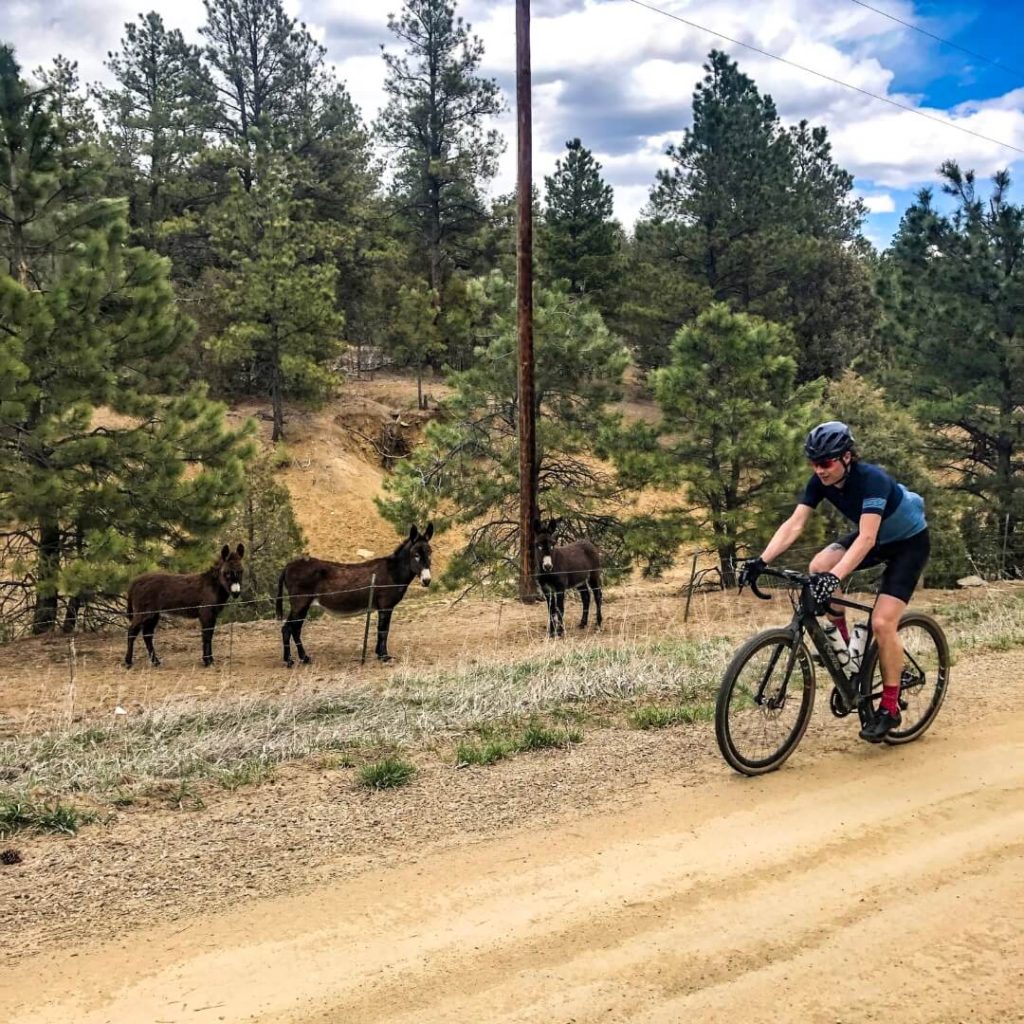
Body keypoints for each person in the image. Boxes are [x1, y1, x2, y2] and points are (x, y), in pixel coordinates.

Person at [738, 421, 930, 742]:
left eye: (825, 463)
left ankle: (890, 707)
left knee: (882, 622)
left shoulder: (872, 480)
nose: (820, 470)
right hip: (878, 538)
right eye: (814, 463)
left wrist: (835, 577)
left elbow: (867, 538)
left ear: (847, 457)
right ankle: (847, 656)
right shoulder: (820, 481)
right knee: (819, 565)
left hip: (908, 544)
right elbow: (795, 524)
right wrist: (762, 560)